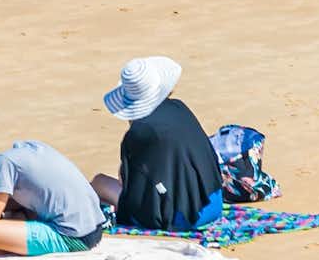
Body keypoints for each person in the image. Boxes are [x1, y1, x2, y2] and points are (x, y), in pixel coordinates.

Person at [89, 56, 225, 233]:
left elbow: (129, 185)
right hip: (213, 203)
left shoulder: (140, 132)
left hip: (185, 219)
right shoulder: (179, 107)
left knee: (99, 182)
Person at [0, 141, 107, 257]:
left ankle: (0, 249)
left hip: (75, 238)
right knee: (16, 213)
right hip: (95, 228)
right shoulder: (26, 149)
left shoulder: (2, 165)